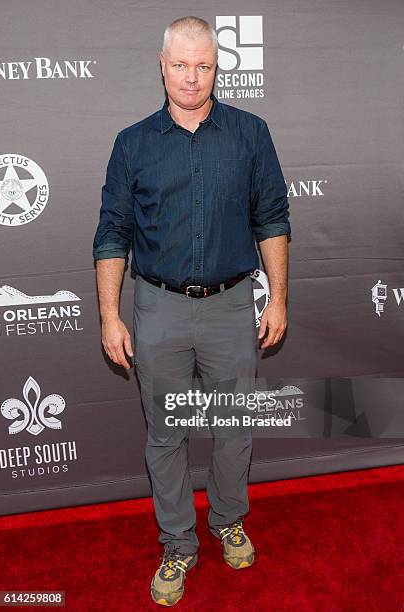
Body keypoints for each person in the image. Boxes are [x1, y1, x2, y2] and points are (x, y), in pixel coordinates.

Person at [92, 15, 291, 607]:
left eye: (203, 65)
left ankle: (228, 518)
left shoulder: (251, 134)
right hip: (158, 311)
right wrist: (110, 315)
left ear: (216, 67)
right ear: (162, 64)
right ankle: (177, 542)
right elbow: (112, 234)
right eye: (180, 64)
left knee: (233, 430)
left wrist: (278, 296)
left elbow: (273, 220)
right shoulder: (132, 144)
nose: (191, 76)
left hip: (233, 307)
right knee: (167, 435)